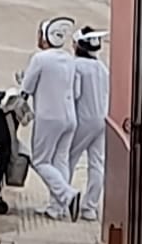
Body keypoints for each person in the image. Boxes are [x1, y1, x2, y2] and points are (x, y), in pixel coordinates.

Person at [22, 18, 82, 219]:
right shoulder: (70, 59)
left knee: (40, 161)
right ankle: (57, 208)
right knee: (60, 161)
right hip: (70, 116)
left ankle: (67, 195)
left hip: (49, 117)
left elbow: (27, 87)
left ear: (46, 36)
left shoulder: (40, 59)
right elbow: (76, 91)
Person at [68, 31, 110, 222]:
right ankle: (90, 207)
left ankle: (62, 201)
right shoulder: (102, 68)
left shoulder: (75, 66)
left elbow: (74, 94)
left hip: (82, 119)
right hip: (102, 119)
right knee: (97, 164)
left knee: (68, 158)